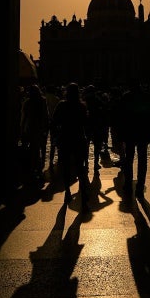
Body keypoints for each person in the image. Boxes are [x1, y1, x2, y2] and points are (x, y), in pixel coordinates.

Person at [51, 82, 90, 210]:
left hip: (65, 139)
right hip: (79, 139)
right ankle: (84, 199)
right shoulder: (81, 106)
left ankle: (67, 191)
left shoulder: (62, 105)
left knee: (66, 167)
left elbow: (54, 122)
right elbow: (86, 123)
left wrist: (56, 136)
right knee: (81, 169)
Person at [118, 79, 150, 198]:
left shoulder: (125, 97)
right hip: (143, 131)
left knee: (129, 158)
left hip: (130, 131)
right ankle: (140, 185)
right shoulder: (146, 97)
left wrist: (121, 133)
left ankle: (128, 183)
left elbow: (121, 116)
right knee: (142, 159)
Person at [19, 84, 50, 180]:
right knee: (38, 149)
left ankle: (32, 168)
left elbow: (24, 117)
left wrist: (22, 129)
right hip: (39, 129)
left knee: (32, 149)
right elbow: (46, 115)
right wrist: (45, 128)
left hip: (29, 128)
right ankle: (38, 167)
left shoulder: (27, 102)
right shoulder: (42, 101)